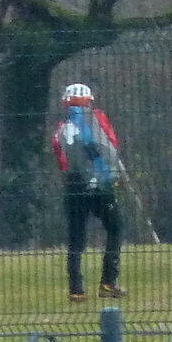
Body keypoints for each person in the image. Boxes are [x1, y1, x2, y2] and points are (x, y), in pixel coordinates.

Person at [50, 83, 126, 302]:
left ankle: (76, 290)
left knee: (76, 237)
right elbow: (111, 145)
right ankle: (108, 282)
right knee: (115, 227)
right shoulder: (98, 119)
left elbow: (62, 162)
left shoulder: (60, 130)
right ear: (89, 102)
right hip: (100, 182)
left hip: (74, 185)